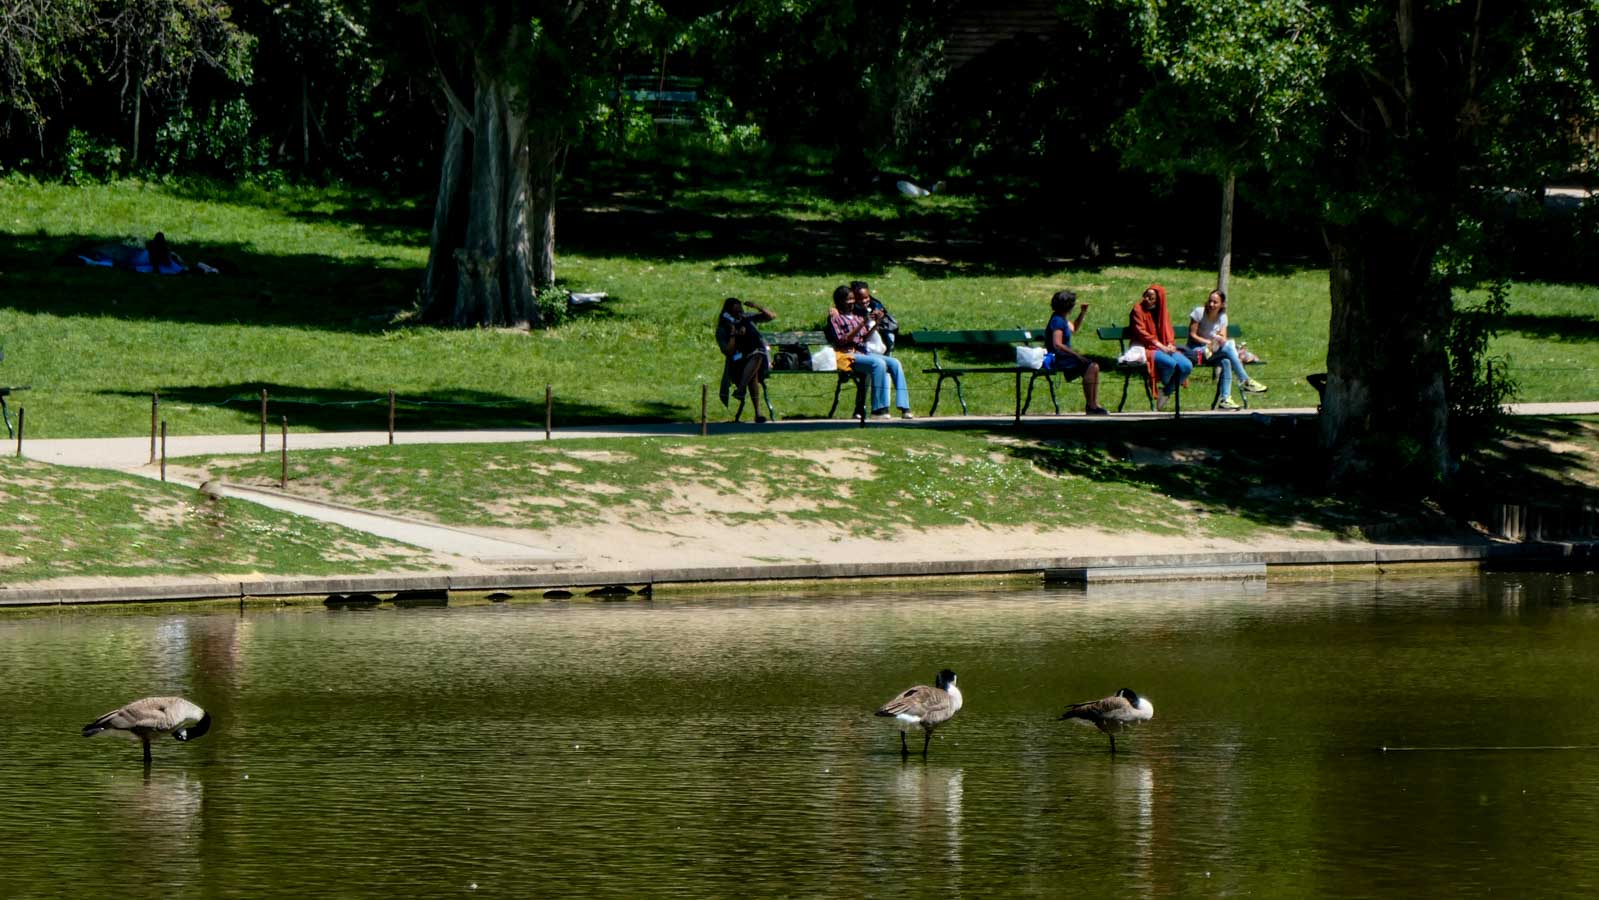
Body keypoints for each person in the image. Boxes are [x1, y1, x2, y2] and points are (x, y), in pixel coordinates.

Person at [826, 284, 914, 420]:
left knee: (895, 363)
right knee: (878, 363)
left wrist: (877, 323)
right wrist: (862, 324)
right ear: (840, 301)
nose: (851, 302)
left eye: (852, 299)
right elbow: (842, 340)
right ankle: (878, 409)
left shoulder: (856, 316)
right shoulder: (836, 318)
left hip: (863, 352)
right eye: (848, 300)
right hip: (847, 354)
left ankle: (904, 407)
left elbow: (864, 337)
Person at [1187, 289, 1267, 410]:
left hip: (1213, 351)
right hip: (1197, 350)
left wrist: (1218, 341)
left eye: (1215, 302)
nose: (1211, 304)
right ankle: (1246, 381)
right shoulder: (1199, 312)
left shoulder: (1223, 317)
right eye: (1210, 301)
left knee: (1226, 361)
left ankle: (1225, 400)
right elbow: (1193, 335)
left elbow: (1223, 338)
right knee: (1228, 347)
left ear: (1222, 304)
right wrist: (1209, 343)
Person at [1043, 290, 1109, 415]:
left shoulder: (1061, 318)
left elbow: (1073, 328)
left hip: (1064, 357)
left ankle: (1094, 404)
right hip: (1059, 358)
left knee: (1094, 366)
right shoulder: (1057, 320)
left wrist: (1082, 312)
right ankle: (1091, 405)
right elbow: (1057, 344)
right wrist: (1076, 355)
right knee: (1090, 366)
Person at [1129, 283, 1193, 411]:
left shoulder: (1162, 311)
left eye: (1151, 298)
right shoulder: (1137, 309)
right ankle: (1168, 385)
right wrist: (1160, 346)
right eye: (1146, 295)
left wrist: (1169, 344)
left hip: (1164, 346)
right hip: (1146, 348)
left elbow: (1168, 330)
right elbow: (1142, 333)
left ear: (1158, 300)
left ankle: (1166, 391)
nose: (1146, 299)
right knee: (1170, 363)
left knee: (1186, 366)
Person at [716, 297, 775, 422]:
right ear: (728, 313)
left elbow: (771, 316)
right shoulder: (723, 328)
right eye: (735, 312)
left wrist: (757, 306)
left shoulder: (747, 318)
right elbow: (728, 352)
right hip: (736, 365)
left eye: (740, 310)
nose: (739, 314)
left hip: (756, 361)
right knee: (753, 372)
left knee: (756, 358)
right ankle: (757, 413)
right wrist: (733, 334)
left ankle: (741, 390)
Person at [850, 281, 898, 354]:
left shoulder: (874, 304)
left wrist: (880, 316)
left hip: (877, 331)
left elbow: (883, 315)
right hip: (864, 339)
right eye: (860, 299)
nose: (864, 301)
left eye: (866, 297)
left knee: (889, 336)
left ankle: (887, 353)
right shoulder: (852, 309)